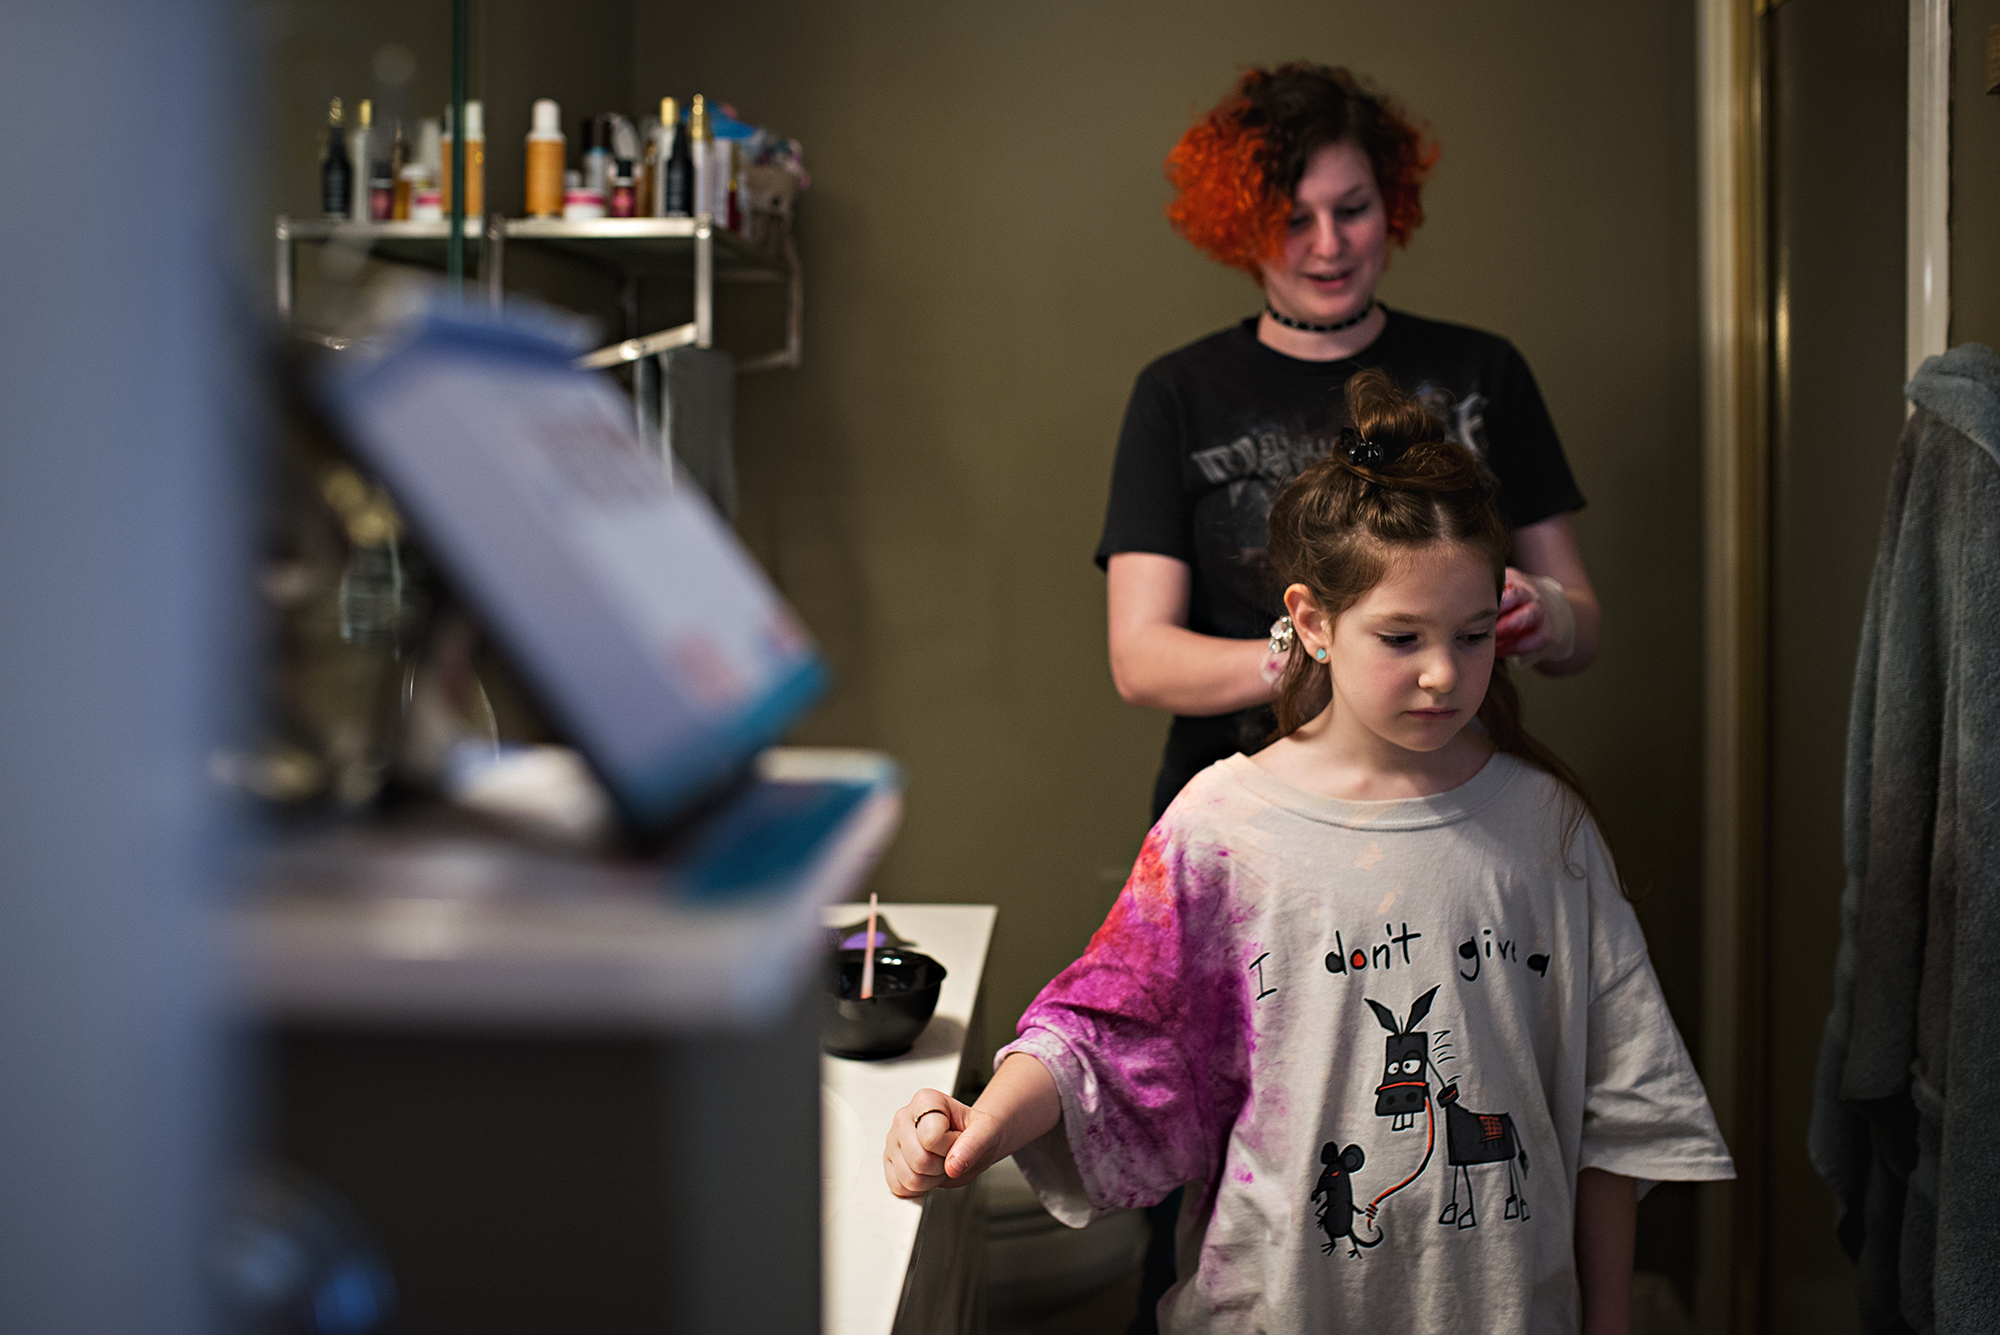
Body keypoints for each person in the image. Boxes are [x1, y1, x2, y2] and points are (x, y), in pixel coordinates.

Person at [885, 373, 1731, 1333]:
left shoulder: (1545, 828)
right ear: (1315, 622)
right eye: (1401, 636)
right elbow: (1102, 1033)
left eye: (1474, 633)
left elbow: (1614, 1108)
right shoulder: (1222, 826)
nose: (1445, 671)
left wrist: (1608, 1319)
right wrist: (981, 1122)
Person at [1103, 63, 1601, 822]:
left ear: (1390, 204)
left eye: (1353, 209)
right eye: (1294, 219)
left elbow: (1581, 629)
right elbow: (1141, 661)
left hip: (1449, 800)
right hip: (1243, 813)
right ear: (1240, 222)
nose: (1328, 245)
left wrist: (1551, 616)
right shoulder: (1178, 392)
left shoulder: (1484, 371)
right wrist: (1331, 653)